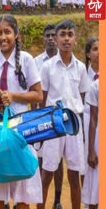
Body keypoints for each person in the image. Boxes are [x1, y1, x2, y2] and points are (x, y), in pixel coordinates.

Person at [0, 13, 43, 209]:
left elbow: (38, 95)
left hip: (20, 128)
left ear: (16, 34)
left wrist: (13, 96)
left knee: (22, 189)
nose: (3, 37)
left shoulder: (28, 60)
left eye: (7, 32)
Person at [38, 19, 91, 209]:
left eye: (70, 34)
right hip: (54, 121)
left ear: (75, 39)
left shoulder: (81, 67)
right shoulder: (48, 66)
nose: (66, 39)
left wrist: (83, 132)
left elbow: (83, 99)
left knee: (74, 175)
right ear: (57, 39)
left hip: (74, 124)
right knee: (47, 174)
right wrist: (44, 129)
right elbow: (42, 100)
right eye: (63, 35)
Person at [34, 23, 64, 209]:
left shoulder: (65, 60)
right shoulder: (36, 62)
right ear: (43, 38)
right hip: (40, 117)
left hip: (59, 118)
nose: (51, 38)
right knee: (40, 159)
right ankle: (38, 198)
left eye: (54, 35)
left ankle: (58, 200)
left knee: (58, 160)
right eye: (48, 35)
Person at [81, 37, 98, 209]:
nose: (98, 53)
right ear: (88, 54)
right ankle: (88, 203)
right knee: (87, 165)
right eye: (94, 49)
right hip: (86, 123)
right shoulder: (83, 75)